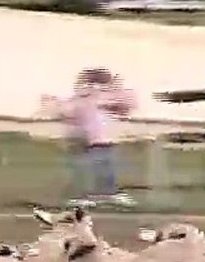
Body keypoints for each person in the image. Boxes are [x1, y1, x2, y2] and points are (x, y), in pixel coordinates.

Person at [40, 69, 137, 208]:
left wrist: (115, 90)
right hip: (83, 140)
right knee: (83, 169)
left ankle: (107, 194)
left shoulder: (98, 97)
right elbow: (66, 111)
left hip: (101, 140)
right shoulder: (85, 98)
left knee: (104, 168)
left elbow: (127, 104)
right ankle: (80, 196)